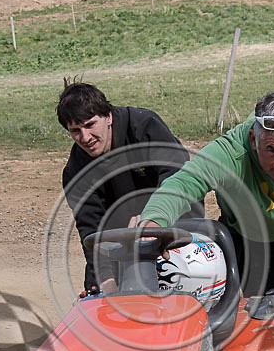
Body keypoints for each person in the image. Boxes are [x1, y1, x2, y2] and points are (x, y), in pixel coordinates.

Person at [138, 92, 274, 319]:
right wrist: (154, 220)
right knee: (269, 310)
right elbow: (183, 183)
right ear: (254, 140)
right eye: (272, 150)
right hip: (249, 236)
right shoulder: (230, 153)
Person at [56, 81, 200, 292]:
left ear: (109, 116)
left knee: (178, 280)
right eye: (75, 130)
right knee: (99, 289)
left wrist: (153, 217)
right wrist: (104, 279)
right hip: (122, 233)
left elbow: (177, 176)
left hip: (174, 216)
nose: (85, 138)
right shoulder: (76, 171)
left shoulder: (144, 127)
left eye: (90, 125)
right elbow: (91, 228)